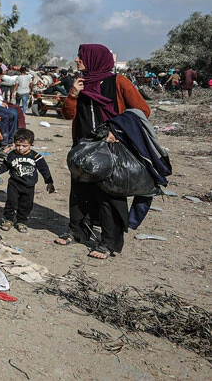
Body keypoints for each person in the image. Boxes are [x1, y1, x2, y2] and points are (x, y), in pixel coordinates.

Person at [57, 43, 150, 259]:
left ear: (94, 58)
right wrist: (72, 95)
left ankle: (109, 242)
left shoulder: (119, 82)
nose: (76, 60)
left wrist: (118, 132)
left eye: (80, 57)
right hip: (83, 147)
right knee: (80, 192)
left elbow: (143, 110)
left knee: (109, 194)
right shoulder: (80, 83)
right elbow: (68, 115)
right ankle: (77, 231)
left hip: (110, 149)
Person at [0, 128, 55, 233]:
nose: (20, 148)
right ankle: (8, 220)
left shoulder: (36, 156)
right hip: (14, 184)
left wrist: (49, 182)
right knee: (11, 202)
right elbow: (5, 166)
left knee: (26, 205)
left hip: (29, 186)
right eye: (18, 145)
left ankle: (21, 221)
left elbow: (44, 169)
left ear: (31, 145)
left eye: (24, 146)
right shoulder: (12, 155)